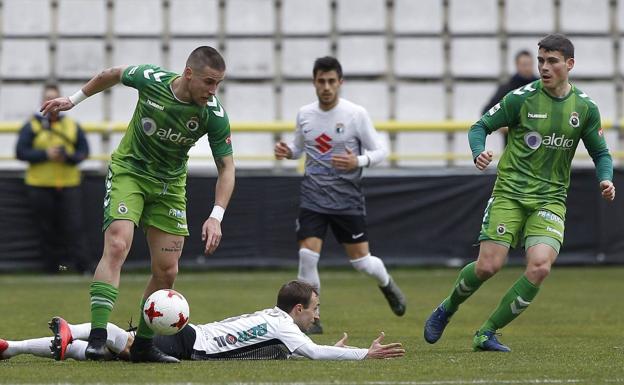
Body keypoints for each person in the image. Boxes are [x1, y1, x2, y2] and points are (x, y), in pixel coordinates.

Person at [40, 46, 236, 362]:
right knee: (117, 246)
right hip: (130, 172)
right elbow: (112, 74)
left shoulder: (212, 114)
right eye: (209, 82)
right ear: (188, 74)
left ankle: (143, 345)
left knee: (167, 271)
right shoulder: (152, 79)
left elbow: (227, 168)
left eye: (218, 84)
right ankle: (98, 338)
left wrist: (216, 216)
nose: (213, 91)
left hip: (169, 187)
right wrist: (73, 100)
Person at [423, 33, 615, 352]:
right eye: (541, 60)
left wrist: (605, 179)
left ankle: (486, 332)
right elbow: (479, 126)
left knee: (540, 266)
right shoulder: (520, 98)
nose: (544, 67)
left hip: (550, 199)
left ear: (570, 64)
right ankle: (447, 307)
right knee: (488, 266)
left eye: (552, 61)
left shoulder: (584, 107)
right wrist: (478, 152)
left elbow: (602, 153)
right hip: (510, 194)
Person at [274, 56, 406, 334]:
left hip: (347, 200)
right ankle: (313, 319)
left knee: (362, 262)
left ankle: (387, 284)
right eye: (321, 81)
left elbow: (381, 151)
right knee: (307, 255)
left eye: (331, 81)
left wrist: (357, 161)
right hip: (313, 197)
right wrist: (289, 152)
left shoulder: (355, 114)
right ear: (314, 82)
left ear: (340, 83)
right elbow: (299, 148)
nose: (326, 87)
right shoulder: (305, 114)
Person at [0, 281, 405, 361]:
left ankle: (13, 348)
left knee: (95, 357)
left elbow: (302, 351)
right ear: (297, 310)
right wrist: (361, 355)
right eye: (314, 308)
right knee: (125, 344)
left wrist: (328, 350)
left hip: (195, 338)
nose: (318, 314)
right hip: (193, 345)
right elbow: (312, 353)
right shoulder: (284, 325)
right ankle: (82, 327)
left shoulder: (275, 320)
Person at [15, 84, 91, 274]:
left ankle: (83, 268)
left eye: (55, 98)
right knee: (46, 230)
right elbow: (21, 152)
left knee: (75, 228)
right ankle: (52, 269)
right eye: (48, 98)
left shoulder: (72, 125)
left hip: (69, 185)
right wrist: (45, 154)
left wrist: (68, 156)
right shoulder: (32, 125)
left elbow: (84, 153)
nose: (52, 103)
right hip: (39, 186)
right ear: (43, 102)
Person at [482, 50, 539, 145]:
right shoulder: (507, 88)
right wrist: (500, 126)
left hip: (538, 143)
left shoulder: (541, 86)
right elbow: (486, 112)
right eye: (524, 64)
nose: (527, 68)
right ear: (517, 65)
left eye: (530, 64)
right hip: (512, 146)